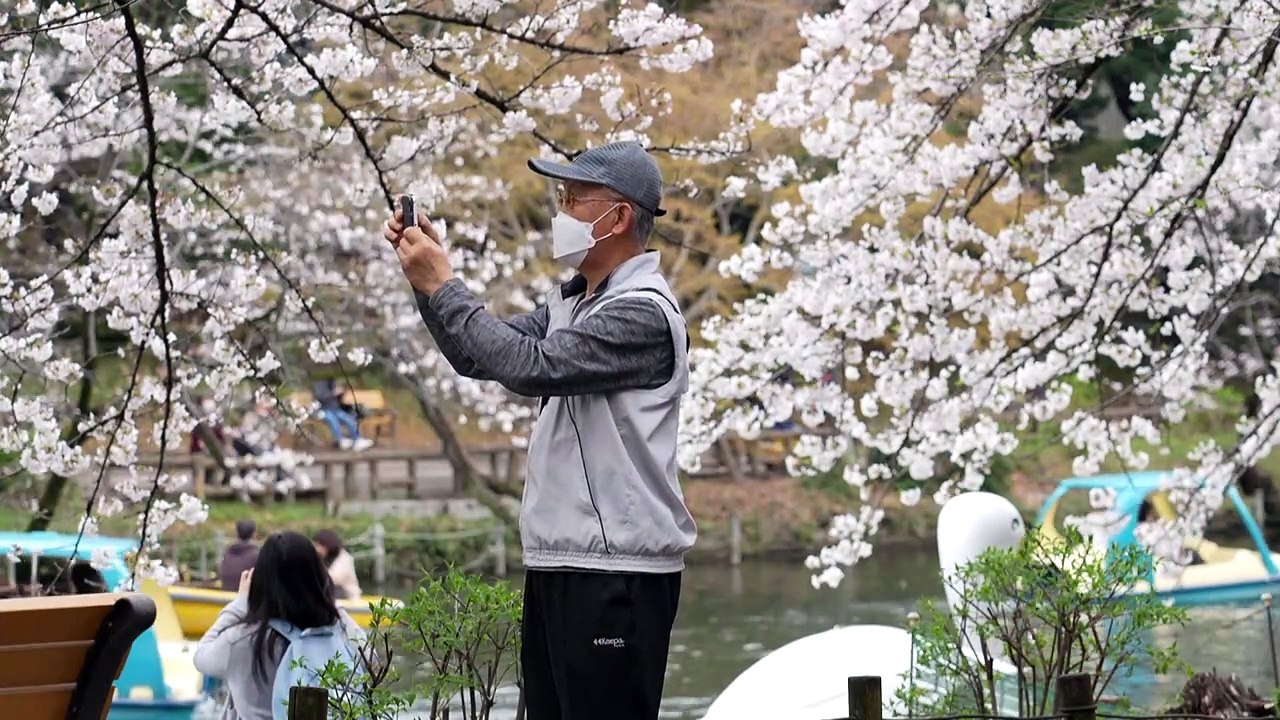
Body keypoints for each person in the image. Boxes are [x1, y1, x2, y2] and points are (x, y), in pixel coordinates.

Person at [382, 141, 696, 720]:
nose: (561, 212)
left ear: (619, 216)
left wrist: (445, 283)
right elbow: (481, 355)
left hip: (615, 573)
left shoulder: (643, 313)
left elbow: (531, 368)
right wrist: (427, 281)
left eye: (574, 199)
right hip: (562, 560)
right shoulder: (574, 306)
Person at [194, 532, 365, 720]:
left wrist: (240, 603)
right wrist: (328, 603)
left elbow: (202, 657)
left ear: (260, 579)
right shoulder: (337, 630)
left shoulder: (243, 640)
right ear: (318, 575)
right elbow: (370, 661)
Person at [311, 379, 373, 451]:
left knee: (348, 419)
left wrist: (341, 393)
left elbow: (336, 399)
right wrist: (333, 393)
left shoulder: (331, 380)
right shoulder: (318, 382)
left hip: (334, 409)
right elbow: (320, 397)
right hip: (321, 410)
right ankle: (340, 440)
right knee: (332, 419)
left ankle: (357, 440)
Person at [312, 529, 362, 600]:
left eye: (319, 545)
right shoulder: (322, 558)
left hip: (345, 596)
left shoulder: (344, 558)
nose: (317, 549)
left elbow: (335, 579)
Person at [219, 519, 260, 591]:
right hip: (246, 599)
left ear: (237, 533)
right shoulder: (257, 556)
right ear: (254, 534)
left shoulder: (227, 554)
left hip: (226, 598)